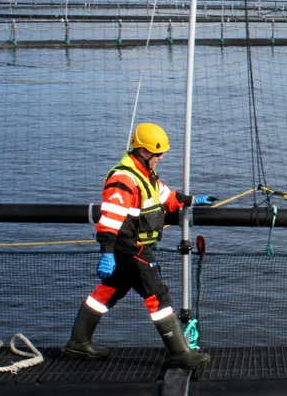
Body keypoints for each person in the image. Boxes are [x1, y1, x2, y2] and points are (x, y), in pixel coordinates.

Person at [65, 122, 217, 368]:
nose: (161, 157)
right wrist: (107, 253)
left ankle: (78, 343)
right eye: (157, 153)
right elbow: (110, 219)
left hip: (130, 249)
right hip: (130, 248)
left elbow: (165, 196)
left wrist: (192, 200)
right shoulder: (123, 180)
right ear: (143, 152)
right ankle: (179, 353)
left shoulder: (146, 175)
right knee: (158, 296)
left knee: (107, 292)